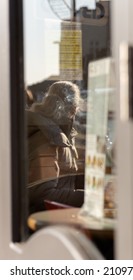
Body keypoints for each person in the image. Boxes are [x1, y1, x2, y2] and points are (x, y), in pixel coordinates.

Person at [26, 81, 85, 214]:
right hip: (42, 221)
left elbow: (67, 178)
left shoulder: (59, 133)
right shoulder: (50, 137)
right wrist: (89, 198)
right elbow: (44, 195)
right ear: (73, 110)